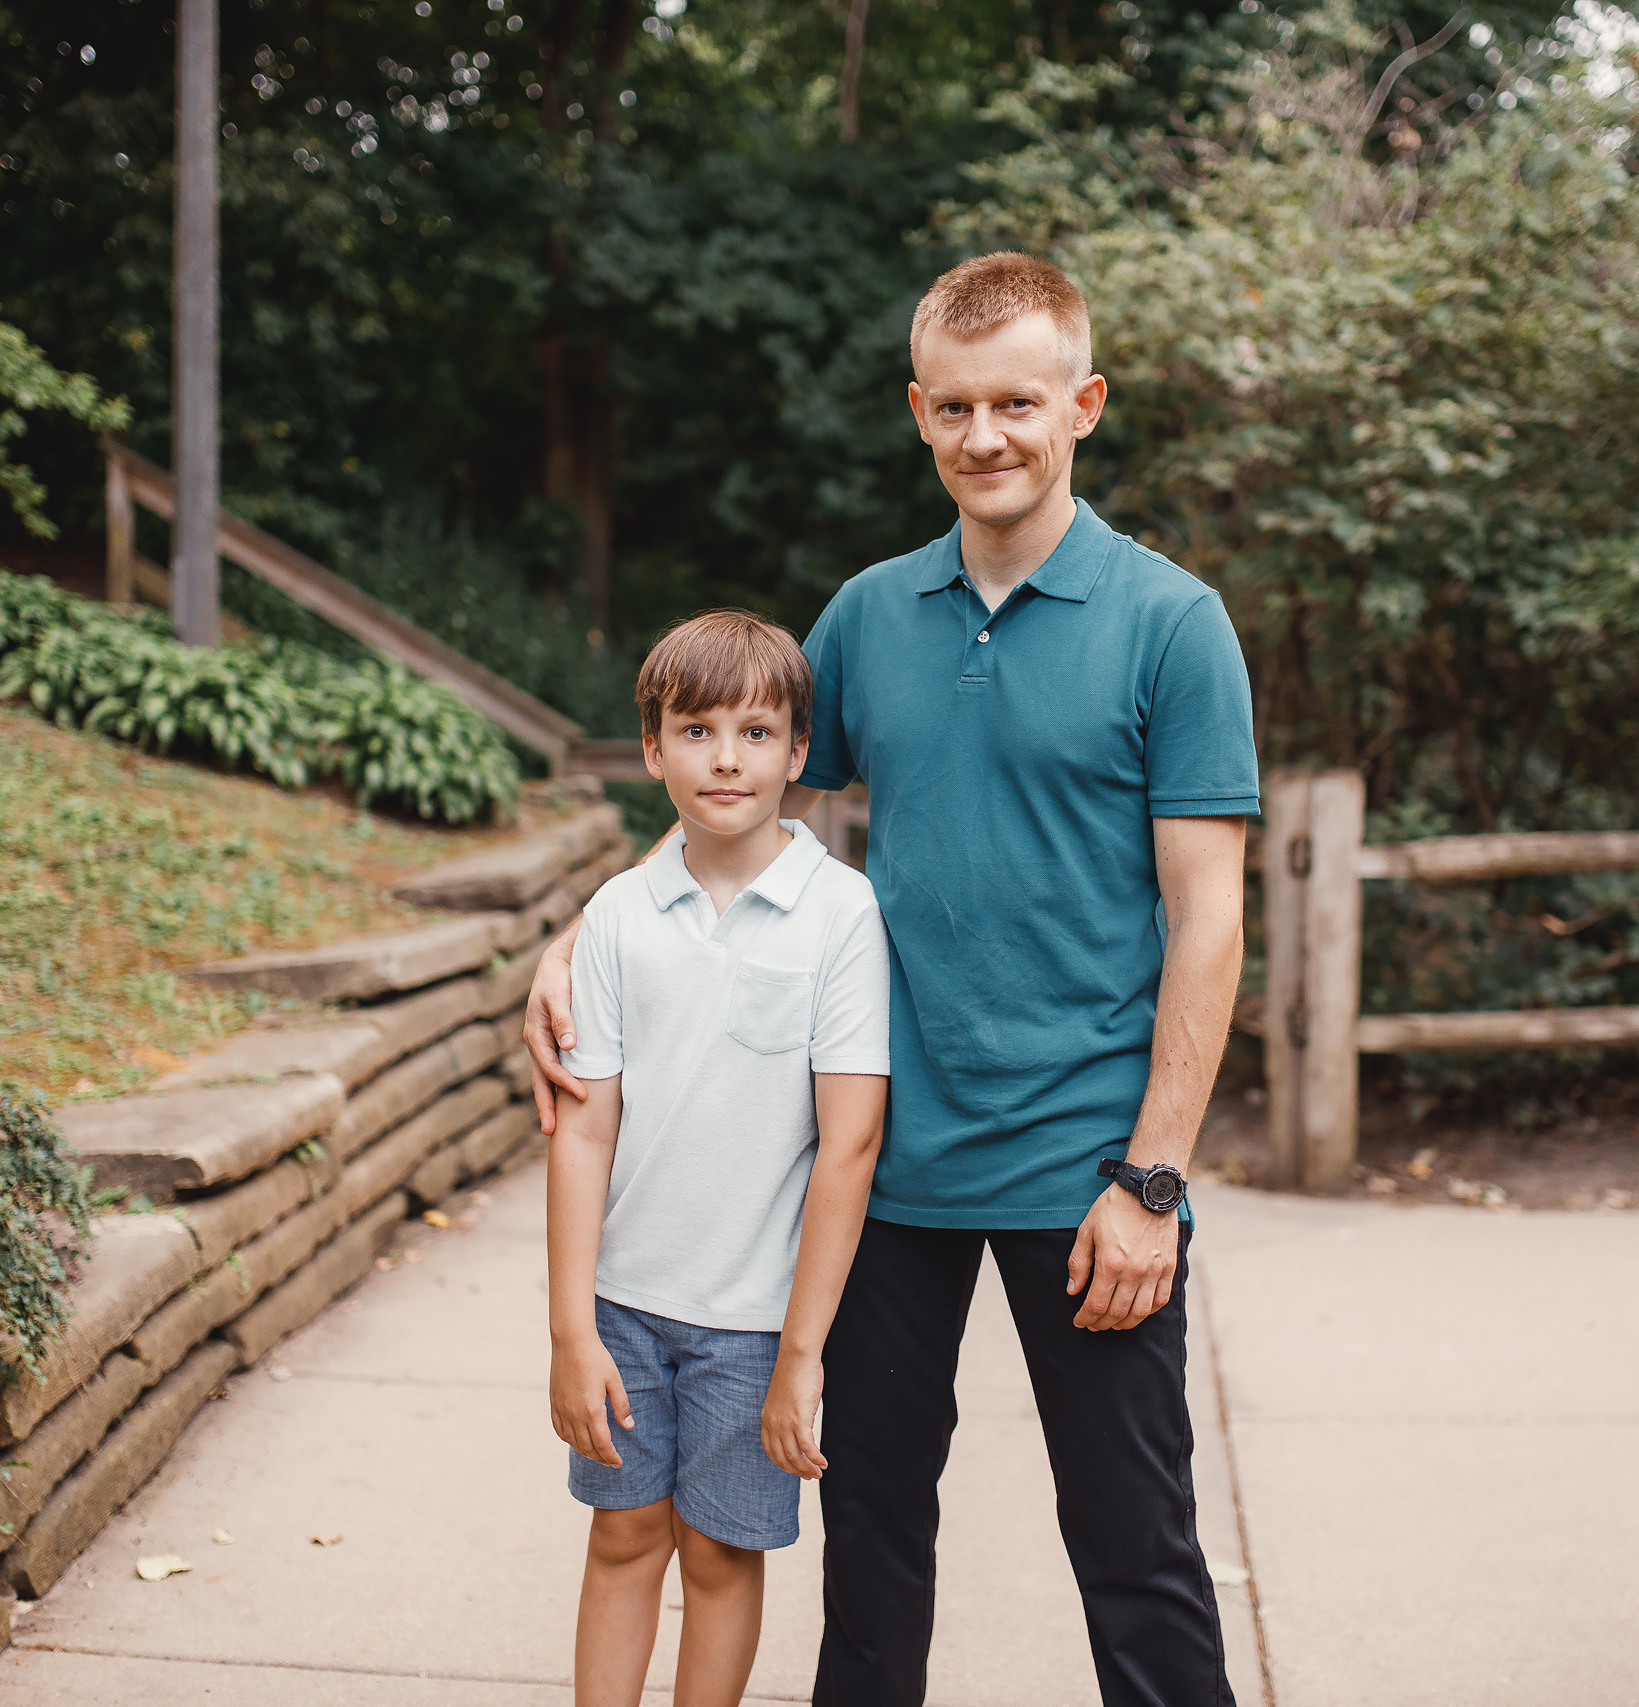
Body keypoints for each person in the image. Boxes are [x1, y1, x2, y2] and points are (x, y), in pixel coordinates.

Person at [530, 252, 1256, 1707]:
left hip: (1085, 1175)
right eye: (958, 405)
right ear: (919, 413)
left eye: (1021, 404)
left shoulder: (1173, 624)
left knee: (1135, 1545)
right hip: (883, 1173)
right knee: (867, 1544)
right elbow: (731, 779)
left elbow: (1211, 916)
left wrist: (1154, 1178)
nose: (988, 435)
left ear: (1084, 405)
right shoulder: (864, 617)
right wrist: (579, 928)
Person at [544, 609, 891, 1707]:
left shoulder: (840, 913)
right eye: (695, 731)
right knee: (622, 1536)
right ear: (651, 750)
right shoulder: (615, 915)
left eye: (755, 732)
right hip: (624, 1307)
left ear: (800, 754)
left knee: (718, 1554)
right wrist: (569, 1330)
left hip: (754, 1319)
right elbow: (584, 1127)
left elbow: (851, 1143)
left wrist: (801, 1354)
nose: (726, 759)